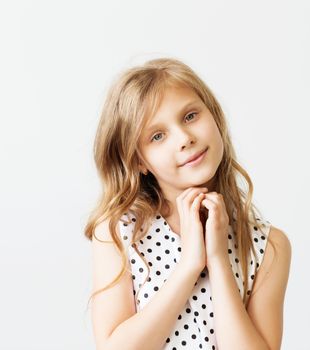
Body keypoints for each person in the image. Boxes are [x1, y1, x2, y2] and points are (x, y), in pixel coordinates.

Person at [84, 57, 292, 350]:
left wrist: (218, 260)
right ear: (139, 162)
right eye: (157, 136)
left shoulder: (268, 246)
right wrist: (190, 265)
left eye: (190, 116)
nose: (184, 138)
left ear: (215, 116)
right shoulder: (119, 232)